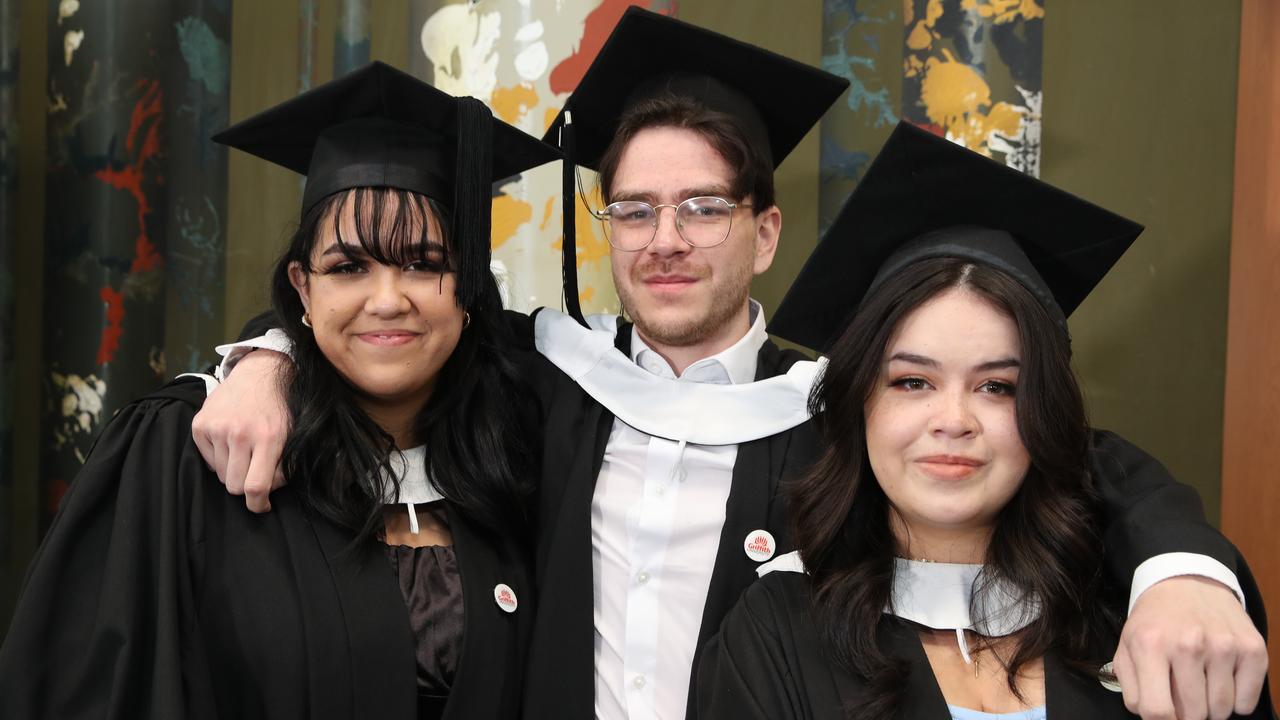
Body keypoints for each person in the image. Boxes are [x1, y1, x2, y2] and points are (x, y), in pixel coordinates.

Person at [191, 10, 1266, 720]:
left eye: (703, 208)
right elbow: (382, 314)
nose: (665, 239)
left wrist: (1181, 572)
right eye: (636, 210)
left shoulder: (844, 405)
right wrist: (266, 355)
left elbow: (1077, 458)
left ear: (761, 234)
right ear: (605, 228)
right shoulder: (532, 381)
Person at [0, 62, 559, 719]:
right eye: (348, 267)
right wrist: (267, 357)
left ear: (468, 288)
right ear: (302, 287)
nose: (387, 300)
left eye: (423, 263)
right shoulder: (191, 453)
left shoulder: (527, 443)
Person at [697, 121, 1273, 720]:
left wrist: (1184, 578)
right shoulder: (775, 636)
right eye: (912, 381)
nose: (954, 419)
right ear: (859, 403)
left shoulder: (1152, 618)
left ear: (1043, 414)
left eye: (997, 387)